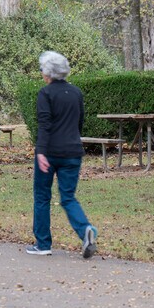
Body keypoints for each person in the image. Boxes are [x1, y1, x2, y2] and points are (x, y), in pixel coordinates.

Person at [26, 51, 97, 259]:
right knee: (68, 197)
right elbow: (79, 122)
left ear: (48, 72)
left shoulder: (45, 93)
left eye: (42, 69)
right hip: (73, 151)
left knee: (42, 197)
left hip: (49, 153)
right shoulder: (76, 93)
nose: (41, 73)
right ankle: (85, 230)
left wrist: (40, 152)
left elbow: (44, 125)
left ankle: (43, 244)